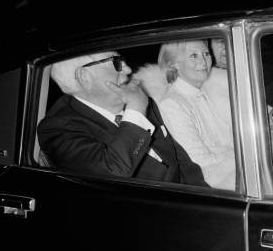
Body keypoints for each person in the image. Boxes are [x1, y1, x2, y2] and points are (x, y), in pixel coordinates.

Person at [38, 51, 208, 186]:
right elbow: (113, 172)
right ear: (84, 76)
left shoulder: (138, 98)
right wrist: (136, 111)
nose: (127, 69)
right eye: (116, 62)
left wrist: (205, 196)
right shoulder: (58, 128)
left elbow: (179, 159)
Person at [156, 40, 235, 190]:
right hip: (214, 187)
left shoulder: (207, 91)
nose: (204, 61)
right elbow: (199, 162)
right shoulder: (172, 104)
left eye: (206, 54)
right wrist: (241, 158)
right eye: (193, 56)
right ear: (173, 64)